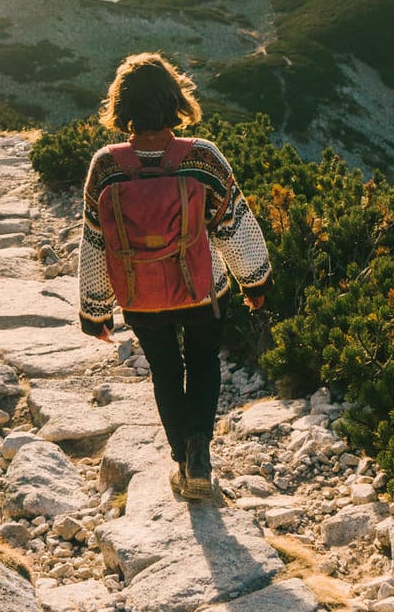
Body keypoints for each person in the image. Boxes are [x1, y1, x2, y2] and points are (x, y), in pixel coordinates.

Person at [78, 52, 272, 501]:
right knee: (204, 364)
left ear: (122, 106)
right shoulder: (202, 157)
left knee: (165, 373)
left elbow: (94, 240)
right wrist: (255, 282)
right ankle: (200, 453)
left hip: (139, 297)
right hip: (199, 290)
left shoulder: (105, 166)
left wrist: (95, 310)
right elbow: (233, 224)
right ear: (175, 101)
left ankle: (182, 465)